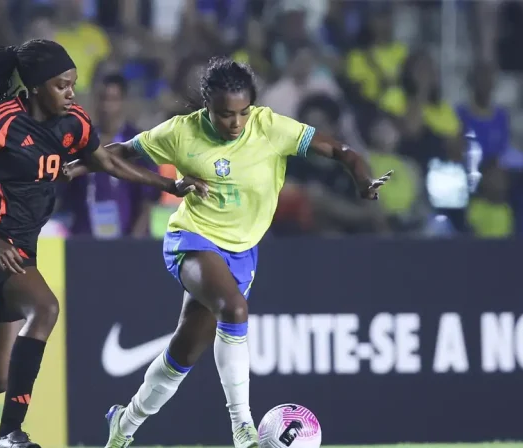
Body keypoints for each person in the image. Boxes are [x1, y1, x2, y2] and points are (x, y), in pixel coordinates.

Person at [0, 39, 206, 448]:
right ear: (35, 87)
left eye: (73, 84)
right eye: (62, 85)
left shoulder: (75, 121)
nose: (71, 92)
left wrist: (170, 184)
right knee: (45, 308)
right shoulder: (2, 121)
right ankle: (9, 433)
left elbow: (108, 163)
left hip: (20, 249)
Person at [66, 57, 392, 448]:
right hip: (193, 239)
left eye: (241, 113)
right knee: (234, 309)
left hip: (242, 252)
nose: (235, 123)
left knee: (182, 354)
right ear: (207, 107)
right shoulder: (180, 133)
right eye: (224, 115)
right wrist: (72, 167)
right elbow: (121, 152)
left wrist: (361, 178)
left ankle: (124, 424)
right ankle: (243, 428)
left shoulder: (270, 127)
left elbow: (339, 149)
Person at [61, 73, 160, 238]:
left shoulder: (140, 144)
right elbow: (67, 193)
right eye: (102, 99)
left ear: (123, 103)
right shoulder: (81, 142)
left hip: (127, 238)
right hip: (85, 239)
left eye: (113, 99)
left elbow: (148, 199)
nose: (106, 106)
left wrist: (134, 241)